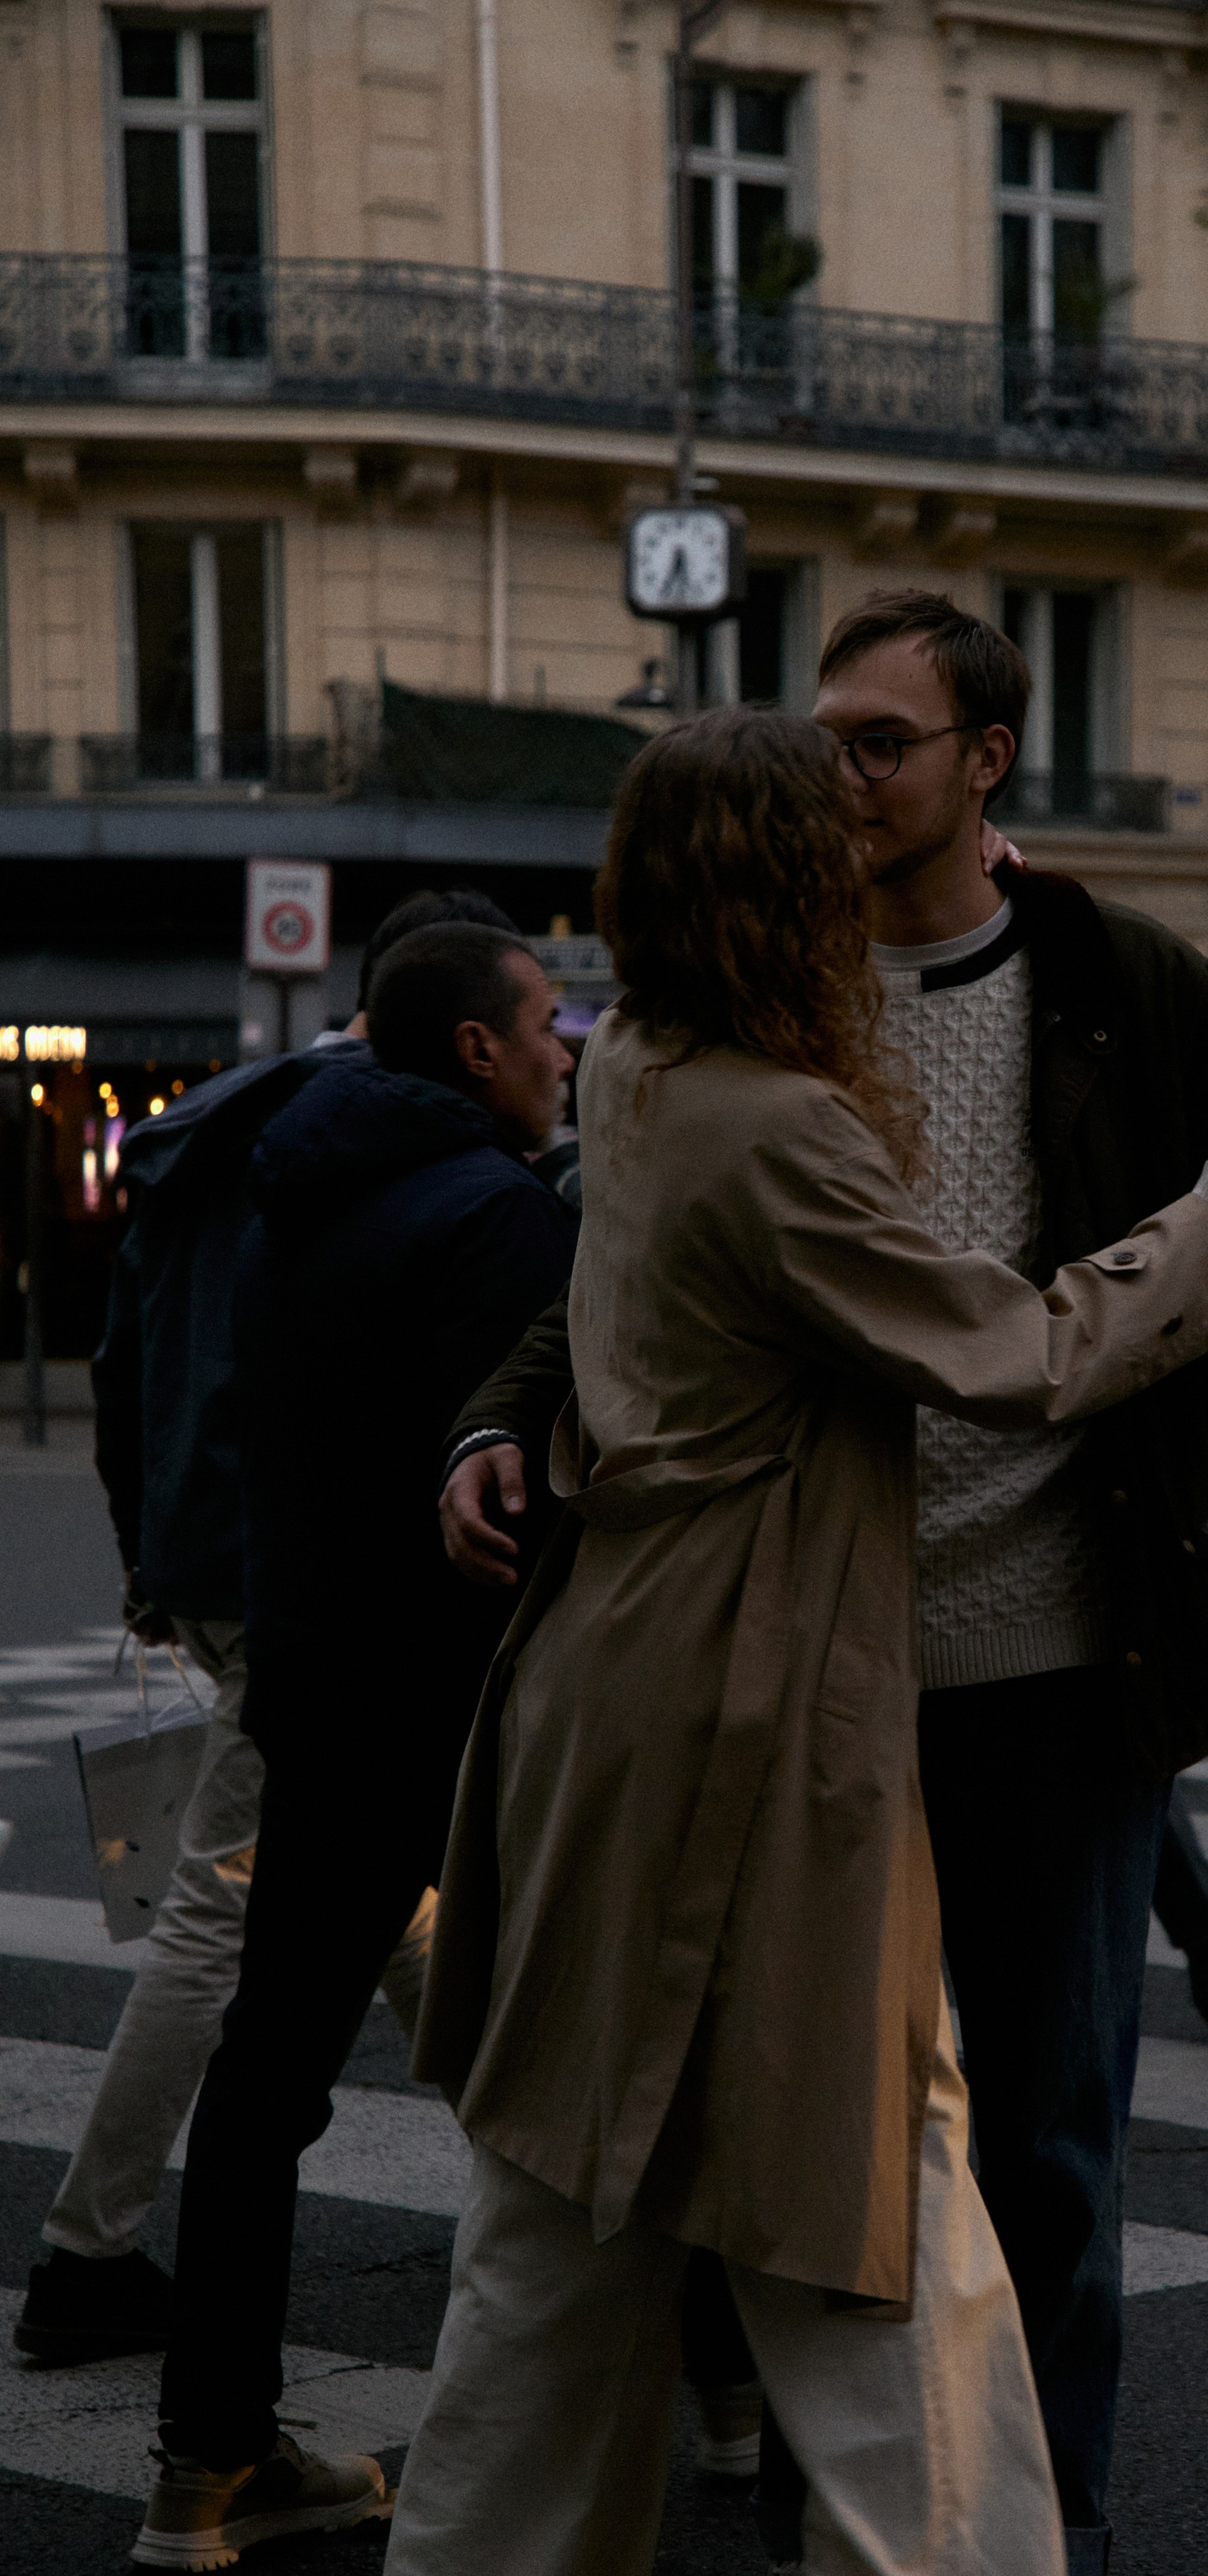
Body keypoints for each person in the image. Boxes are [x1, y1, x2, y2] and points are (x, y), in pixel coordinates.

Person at [386, 705, 1208, 2576]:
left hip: (614, 1700)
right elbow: (1023, 1355)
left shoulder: (645, 1068)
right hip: (741, 1715)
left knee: (561, 2248)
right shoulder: (774, 1127)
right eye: (830, 846)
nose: (869, 872)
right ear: (782, 887)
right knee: (878, 2228)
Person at [13, 888, 517, 2372]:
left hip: (206, 1553)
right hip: (290, 1577)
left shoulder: (215, 1125)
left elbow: (124, 1357)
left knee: (394, 1900)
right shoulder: (367, 1146)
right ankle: (84, 2251)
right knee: (226, 1913)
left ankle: (544, 2189)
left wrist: (145, 1556)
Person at [133, 925, 579, 2572]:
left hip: (314, 1673)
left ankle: (205, 2458)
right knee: (597, 2045)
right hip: (465, 1695)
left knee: (267, 2072)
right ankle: (704, 2404)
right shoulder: (499, 1214)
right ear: (474, 1048)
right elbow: (524, 1473)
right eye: (546, 1022)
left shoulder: (288, 1191)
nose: (565, 1047)